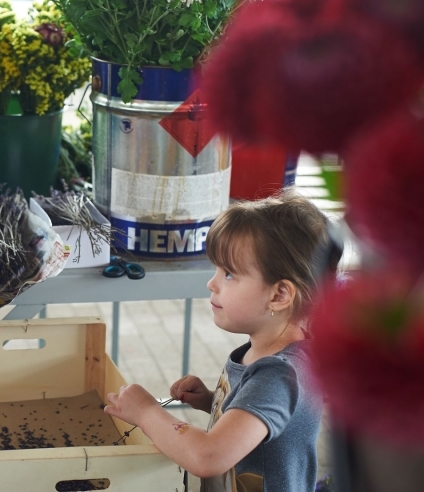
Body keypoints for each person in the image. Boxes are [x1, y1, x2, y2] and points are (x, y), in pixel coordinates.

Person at [105, 190, 342, 492]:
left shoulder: (278, 376)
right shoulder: (264, 355)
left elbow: (209, 456)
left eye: (229, 274)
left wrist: (146, 412)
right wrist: (211, 401)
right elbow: (258, 422)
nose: (212, 283)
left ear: (279, 295)